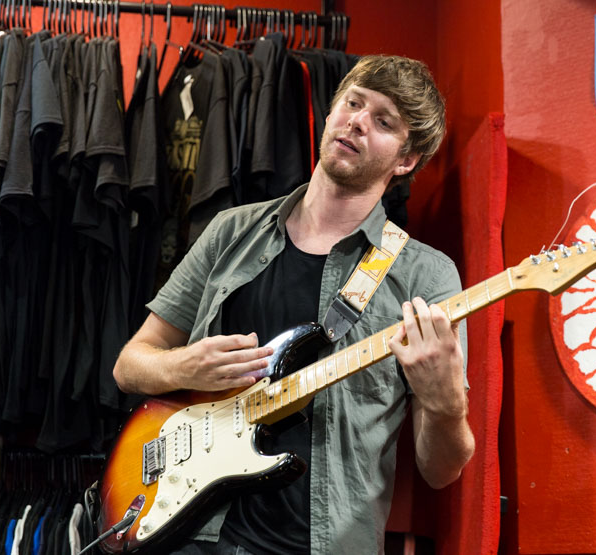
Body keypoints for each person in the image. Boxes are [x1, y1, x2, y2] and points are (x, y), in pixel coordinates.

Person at [112, 54, 475, 554]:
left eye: (383, 121)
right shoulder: (231, 232)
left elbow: (441, 471)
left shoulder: (426, 277)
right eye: (353, 103)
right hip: (189, 534)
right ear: (330, 113)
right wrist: (184, 366)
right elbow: (130, 367)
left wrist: (445, 402)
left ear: (405, 160)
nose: (357, 122)